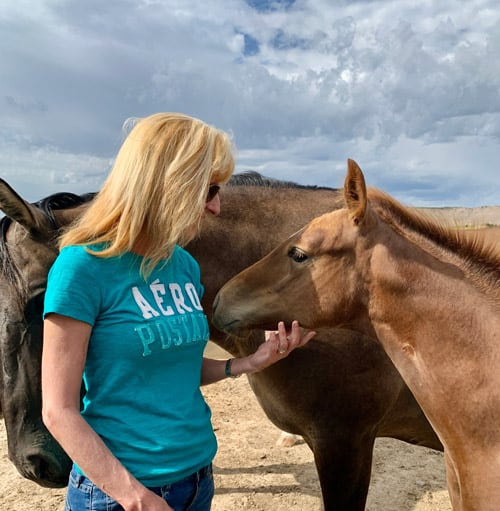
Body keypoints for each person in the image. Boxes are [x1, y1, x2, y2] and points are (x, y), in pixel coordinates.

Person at [41, 112, 316, 511]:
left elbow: (174, 366)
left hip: (196, 478)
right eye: (208, 191)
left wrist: (251, 362)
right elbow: (58, 411)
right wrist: (136, 498)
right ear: (166, 185)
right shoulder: (81, 268)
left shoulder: (183, 265)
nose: (217, 208)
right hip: (118, 495)